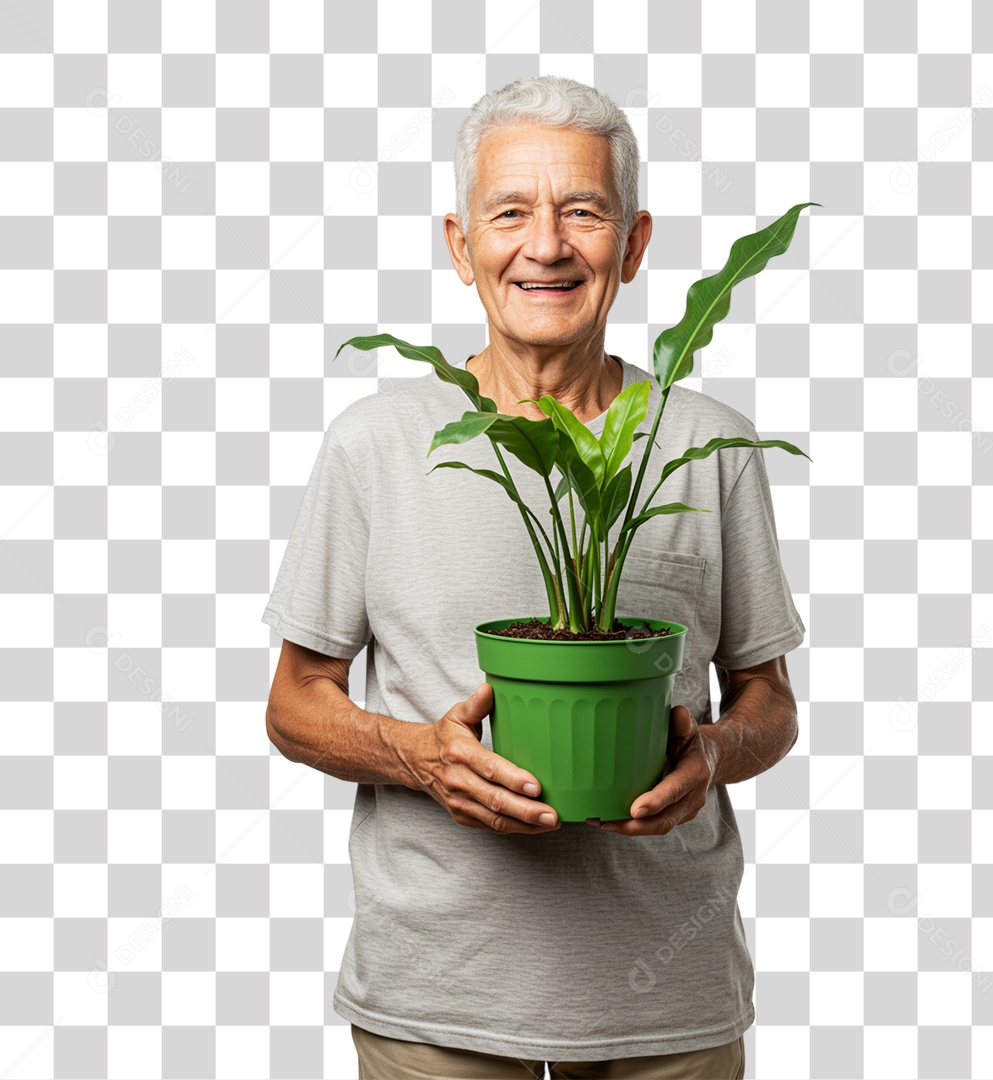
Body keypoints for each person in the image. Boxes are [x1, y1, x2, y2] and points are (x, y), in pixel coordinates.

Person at [262, 75, 804, 1080]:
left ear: (634, 246)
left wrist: (716, 756)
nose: (546, 245)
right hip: (436, 1007)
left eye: (583, 213)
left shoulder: (710, 445)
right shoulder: (375, 444)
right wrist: (418, 756)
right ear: (461, 246)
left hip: (668, 1011)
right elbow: (295, 703)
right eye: (509, 213)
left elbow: (770, 699)